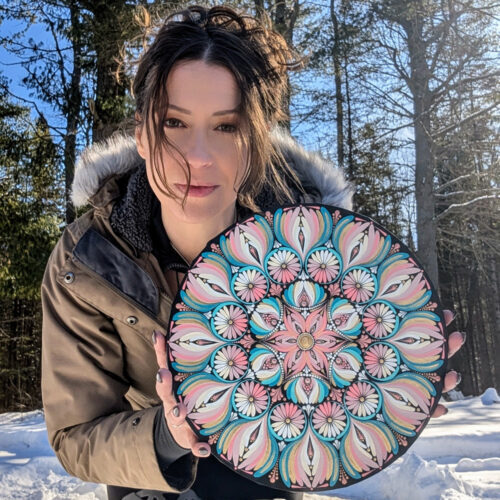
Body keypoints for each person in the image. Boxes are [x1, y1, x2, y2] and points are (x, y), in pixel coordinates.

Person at [41, 5, 465, 500]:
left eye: (226, 127)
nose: (198, 157)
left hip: (272, 476)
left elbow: (341, 368)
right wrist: (168, 433)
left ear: (256, 139)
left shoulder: (323, 247)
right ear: (142, 134)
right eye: (174, 122)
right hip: (154, 479)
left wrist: (388, 392)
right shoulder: (88, 261)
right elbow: (76, 435)